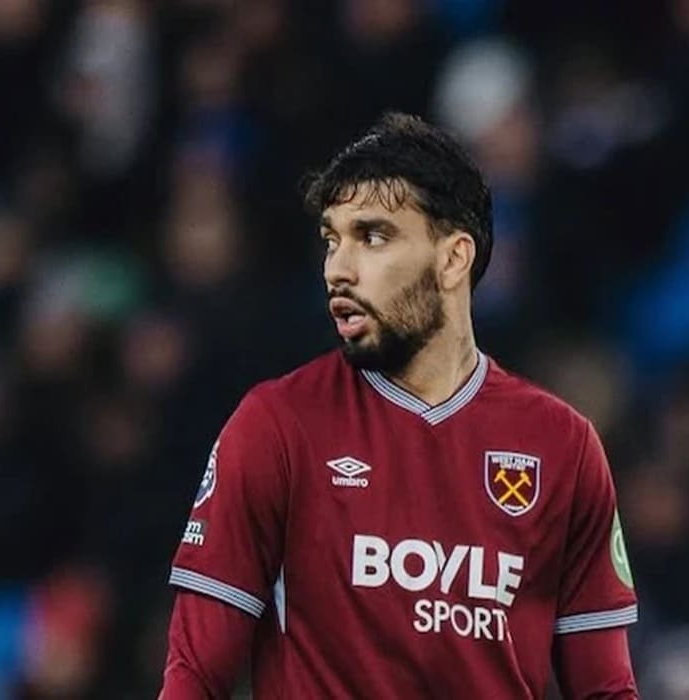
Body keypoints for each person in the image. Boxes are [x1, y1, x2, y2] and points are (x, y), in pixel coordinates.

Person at [159, 113, 639, 699]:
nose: (339, 269)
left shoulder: (562, 445)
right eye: (332, 240)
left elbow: (606, 688)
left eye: (373, 237)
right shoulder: (278, 425)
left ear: (453, 259)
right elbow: (195, 675)